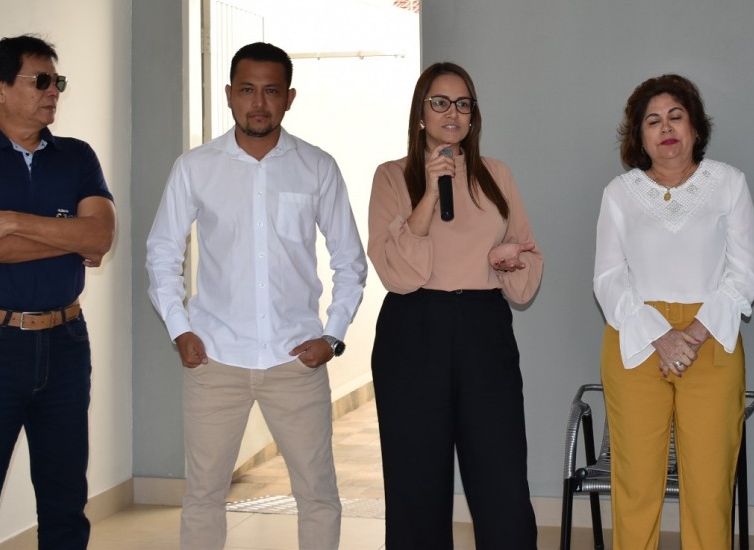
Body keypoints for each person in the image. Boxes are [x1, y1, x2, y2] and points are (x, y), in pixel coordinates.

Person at [146, 42, 367, 550]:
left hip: (296, 360)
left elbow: (350, 262)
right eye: (247, 90)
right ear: (229, 94)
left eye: (271, 91)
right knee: (203, 496)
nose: (259, 103)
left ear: (289, 97)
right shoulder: (195, 167)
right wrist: (179, 328)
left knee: (317, 494)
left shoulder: (317, 167)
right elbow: (161, 253)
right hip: (214, 359)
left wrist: (332, 336)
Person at [0, 35, 116, 549]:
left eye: (57, 81)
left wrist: (12, 220)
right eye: (40, 81)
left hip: (65, 341)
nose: (53, 91)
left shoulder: (76, 156)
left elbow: (100, 237)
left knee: (65, 502)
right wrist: (67, 237)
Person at [367, 61, 542, 550]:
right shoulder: (392, 177)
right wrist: (428, 193)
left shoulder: (496, 175)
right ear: (421, 113)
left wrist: (508, 263)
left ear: (473, 115)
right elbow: (396, 273)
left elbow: (528, 257)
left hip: (484, 329)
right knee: (416, 481)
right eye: (440, 102)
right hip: (413, 330)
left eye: (463, 104)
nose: (453, 113)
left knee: (502, 477)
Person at [593, 73, 754, 550]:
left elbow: (744, 275)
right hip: (636, 343)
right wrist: (662, 336)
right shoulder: (619, 193)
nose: (665, 128)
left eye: (676, 116)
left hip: (712, 344)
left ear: (695, 127)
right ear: (639, 135)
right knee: (636, 485)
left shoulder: (729, 184)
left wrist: (693, 334)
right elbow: (608, 277)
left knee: (709, 489)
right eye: (652, 121)